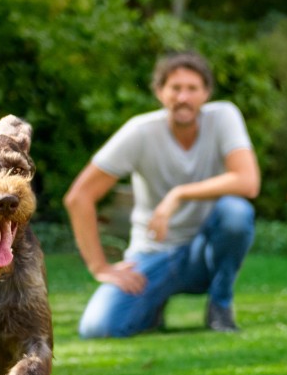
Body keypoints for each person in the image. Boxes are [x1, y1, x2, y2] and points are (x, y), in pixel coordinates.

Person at [66, 51, 260, 337]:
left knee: (236, 212)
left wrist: (178, 194)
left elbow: (248, 182)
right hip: (153, 253)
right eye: (175, 88)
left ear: (206, 93)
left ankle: (220, 306)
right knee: (98, 328)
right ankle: (150, 309)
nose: (183, 97)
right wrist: (99, 266)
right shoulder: (140, 131)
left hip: (205, 254)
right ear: (160, 92)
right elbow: (78, 196)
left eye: (192, 88)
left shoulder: (224, 117)